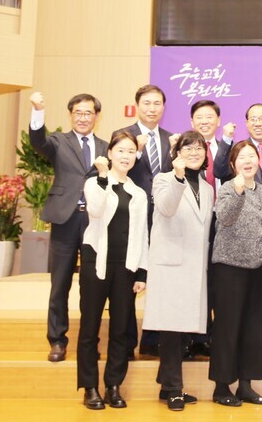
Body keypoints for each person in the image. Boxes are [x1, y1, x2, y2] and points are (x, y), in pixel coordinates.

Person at [210, 140, 262, 406]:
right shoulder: (226, 189)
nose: (247, 160)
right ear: (233, 164)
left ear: (258, 161)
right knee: (227, 328)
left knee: (254, 330)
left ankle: (245, 385)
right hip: (229, 269)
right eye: (241, 157)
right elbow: (225, 218)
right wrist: (237, 190)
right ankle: (222, 387)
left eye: (251, 156)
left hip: (258, 269)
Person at [28, 91, 107, 363]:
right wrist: (38, 110)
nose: (83, 117)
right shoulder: (59, 141)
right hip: (65, 219)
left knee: (92, 286)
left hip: (95, 222)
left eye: (88, 113)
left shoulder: (106, 147)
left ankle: (88, 342)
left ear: (97, 116)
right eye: (78, 113)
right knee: (59, 284)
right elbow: (37, 141)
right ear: (71, 115)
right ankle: (57, 341)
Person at [77, 130, 149, 410]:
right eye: (120, 151)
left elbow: (143, 234)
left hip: (126, 267)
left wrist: (142, 273)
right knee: (90, 328)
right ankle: (90, 387)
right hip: (96, 263)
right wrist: (104, 176)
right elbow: (95, 210)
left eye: (131, 151)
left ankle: (113, 385)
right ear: (109, 153)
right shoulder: (95, 183)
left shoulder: (138, 193)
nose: (126, 156)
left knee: (120, 330)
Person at [215, 104, 262, 360]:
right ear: (246, 123)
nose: (258, 123)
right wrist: (226, 140)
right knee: (238, 294)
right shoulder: (239, 153)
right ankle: (239, 340)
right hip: (236, 238)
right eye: (253, 119)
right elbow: (218, 171)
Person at [144, 131, 214, 411]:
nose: (194, 152)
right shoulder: (164, 179)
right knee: (172, 330)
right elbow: (167, 207)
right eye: (188, 148)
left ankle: (166, 383)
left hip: (196, 265)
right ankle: (173, 388)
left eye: (199, 148)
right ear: (177, 153)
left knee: (184, 328)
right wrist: (177, 177)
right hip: (171, 266)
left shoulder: (208, 188)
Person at [118, 84, 177, 359]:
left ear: (163, 107)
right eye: (147, 103)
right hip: (133, 217)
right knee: (130, 279)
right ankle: (126, 340)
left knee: (161, 279)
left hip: (165, 219)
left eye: (157, 104)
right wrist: (137, 152)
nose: (152, 108)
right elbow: (120, 170)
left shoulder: (171, 139)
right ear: (137, 105)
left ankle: (152, 340)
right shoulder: (124, 137)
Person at [186, 99, 231, 358]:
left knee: (215, 281)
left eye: (209, 117)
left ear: (218, 121)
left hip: (219, 224)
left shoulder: (227, 149)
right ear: (192, 122)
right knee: (194, 280)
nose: (204, 121)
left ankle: (212, 336)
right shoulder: (182, 150)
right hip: (190, 224)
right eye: (199, 118)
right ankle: (194, 337)